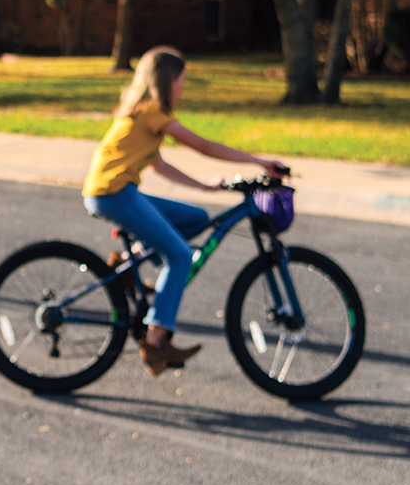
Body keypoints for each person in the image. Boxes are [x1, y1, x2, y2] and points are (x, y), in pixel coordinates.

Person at [82, 45, 283, 376]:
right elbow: (203, 145)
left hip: (114, 191)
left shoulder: (139, 113)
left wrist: (204, 186)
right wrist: (260, 161)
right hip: (114, 194)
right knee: (179, 256)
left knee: (196, 218)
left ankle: (129, 266)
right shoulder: (153, 113)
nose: (183, 87)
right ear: (168, 80)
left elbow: (158, 165)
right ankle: (156, 341)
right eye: (182, 80)